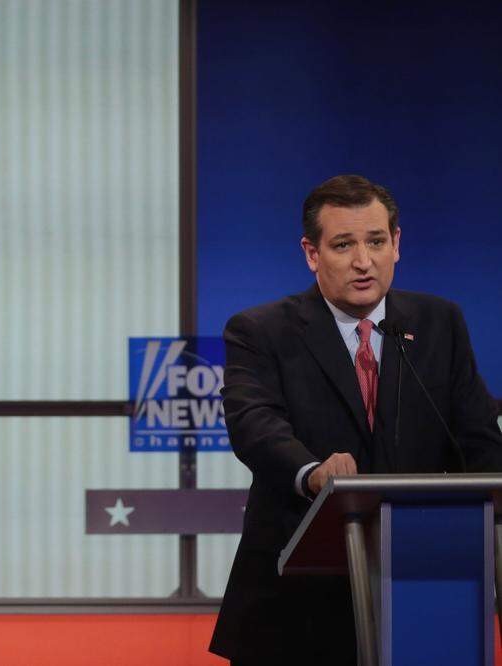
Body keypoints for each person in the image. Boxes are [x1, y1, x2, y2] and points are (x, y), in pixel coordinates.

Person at [208, 175, 502, 665]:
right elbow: (254, 424)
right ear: (312, 253)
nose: (364, 261)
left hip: (425, 587)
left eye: (376, 241)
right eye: (343, 245)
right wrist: (312, 471)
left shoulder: (439, 323)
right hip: (296, 602)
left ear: (397, 244)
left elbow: (478, 438)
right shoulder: (260, 330)